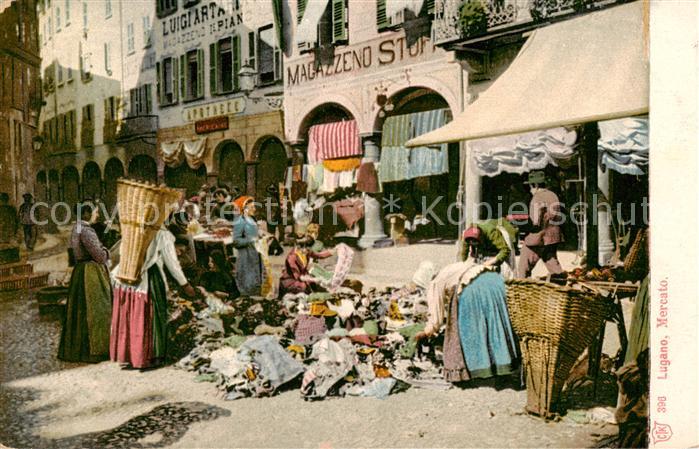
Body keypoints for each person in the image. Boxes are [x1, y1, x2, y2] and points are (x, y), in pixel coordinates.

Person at [416, 225, 519, 382]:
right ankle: (505, 365)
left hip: (476, 288)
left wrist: (427, 332)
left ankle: (475, 370)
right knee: (494, 323)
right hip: (496, 282)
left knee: (470, 328)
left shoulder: (435, 283)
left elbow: (436, 316)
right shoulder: (454, 267)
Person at [110, 225, 197, 369]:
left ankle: (132, 355)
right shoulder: (162, 234)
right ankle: (152, 356)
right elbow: (172, 263)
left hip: (128, 274)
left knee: (134, 314)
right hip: (149, 276)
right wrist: (185, 284)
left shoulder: (134, 227)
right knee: (152, 315)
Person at [58, 201, 112, 362]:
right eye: (95, 212)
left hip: (80, 272)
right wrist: (107, 250)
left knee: (80, 313)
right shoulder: (87, 231)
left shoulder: (77, 228)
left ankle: (77, 350)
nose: (97, 214)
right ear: (87, 213)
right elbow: (100, 256)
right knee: (97, 310)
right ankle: (96, 350)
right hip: (91, 275)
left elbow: (72, 254)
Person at [517, 170, 564, 278]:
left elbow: (535, 221)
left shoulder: (537, 198)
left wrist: (522, 226)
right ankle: (561, 289)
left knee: (523, 268)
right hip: (553, 237)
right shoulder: (553, 195)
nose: (530, 189)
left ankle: (522, 291)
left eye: (530, 186)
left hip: (537, 238)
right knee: (554, 266)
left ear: (535, 185)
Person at [232, 196, 264, 296]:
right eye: (252, 207)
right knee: (247, 279)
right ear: (244, 208)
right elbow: (236, 241)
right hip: (246, 255)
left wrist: (260, 235)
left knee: (256, 275)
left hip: (255, 252)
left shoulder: (251, 219)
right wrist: (251, 240)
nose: (254, 209)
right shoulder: (240, 221)